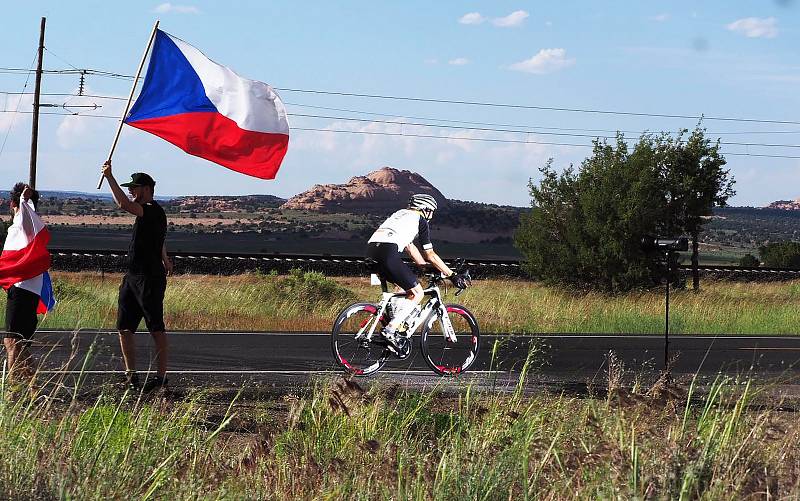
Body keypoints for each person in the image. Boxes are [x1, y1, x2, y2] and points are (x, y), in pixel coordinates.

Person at [366, 193, 469, 355]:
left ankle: (396, 326)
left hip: (371, 251)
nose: (432, 215)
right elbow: (430, 254)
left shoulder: (400, 214)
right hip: (388, 252)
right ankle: (390, 330)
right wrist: (452, 275)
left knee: (401, 287)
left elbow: (410, 247)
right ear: (425, 209)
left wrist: (423, 267)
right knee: (417, 292)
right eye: (431, 211)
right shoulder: (420, 220)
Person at [101, 161, 172, 392]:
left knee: (155, 327)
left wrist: (109, 177)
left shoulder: (152, 210)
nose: (131, 191)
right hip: (132, 276)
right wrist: (165, 256)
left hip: (149, 278)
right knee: (124, 327)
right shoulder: (146, 214)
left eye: (134, 187)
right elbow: (158, 239)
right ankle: (131, 375)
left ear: (147, 189)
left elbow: (123, 204)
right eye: (129, 187)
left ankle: (161, 378)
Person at [3, 184, 46, 379]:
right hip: (23, 289)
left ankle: (12, 392)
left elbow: (25, 218)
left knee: (13, 342)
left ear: (12, 203)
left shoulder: (24, 221)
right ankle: (33, 390)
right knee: (17, 343)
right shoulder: (26, 224)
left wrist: (23, 200)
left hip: (22, 289)